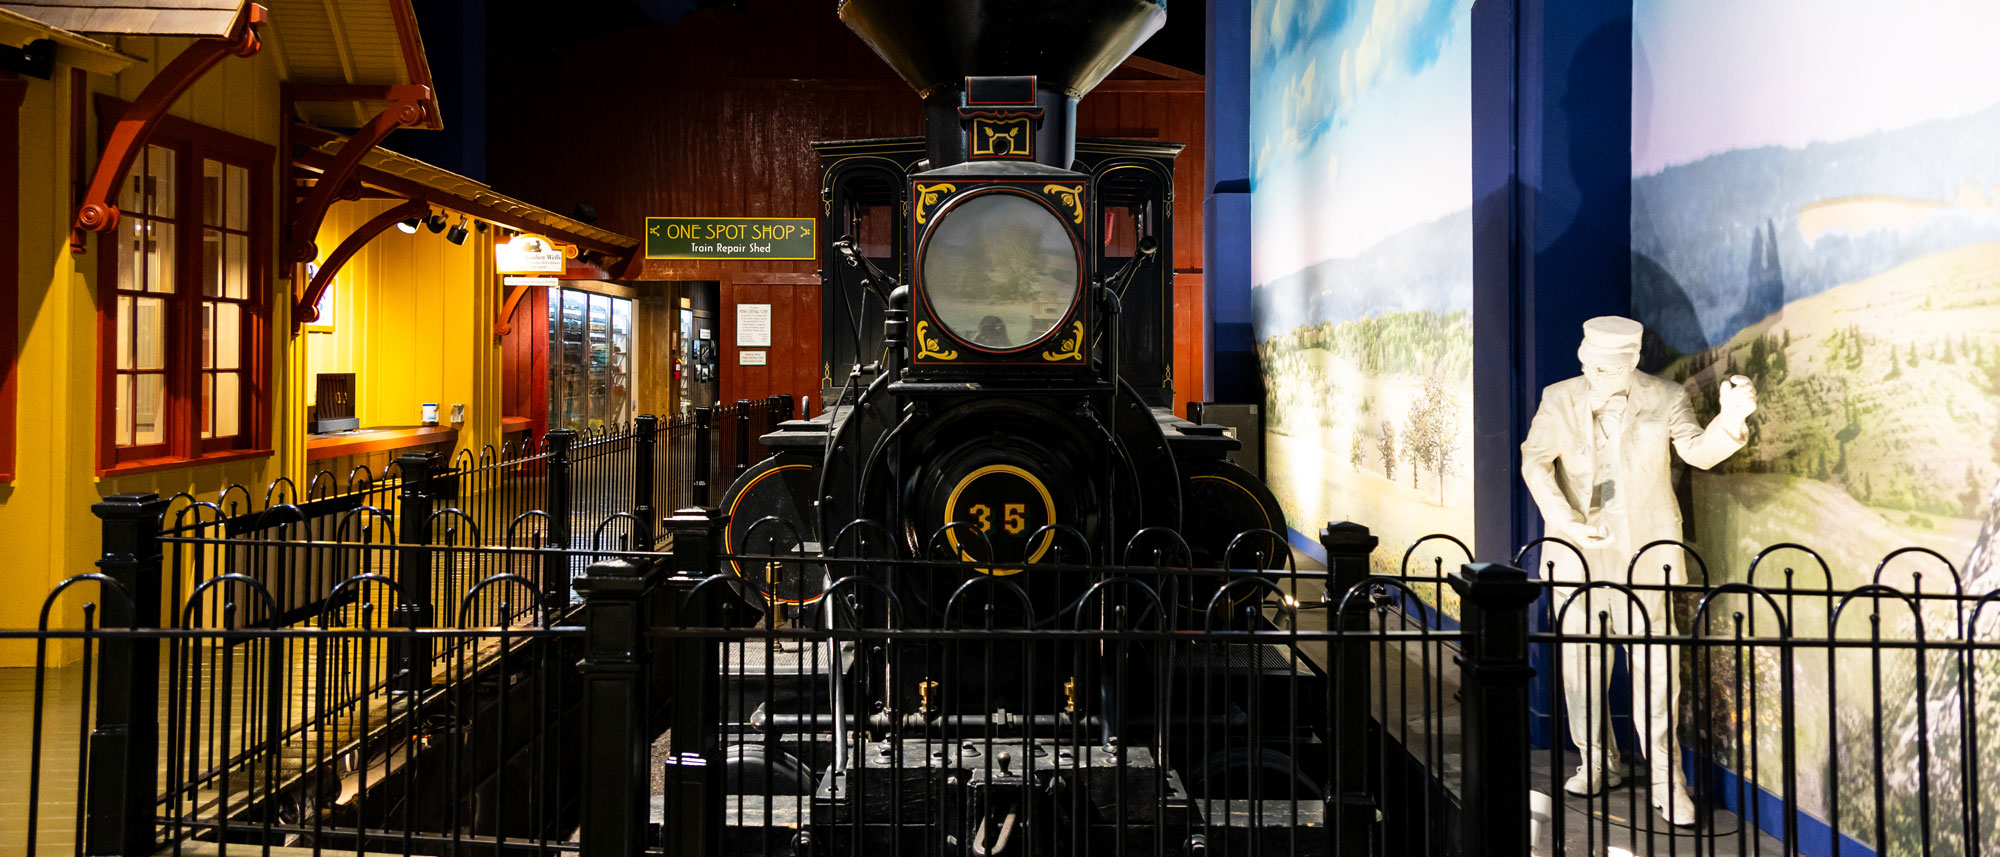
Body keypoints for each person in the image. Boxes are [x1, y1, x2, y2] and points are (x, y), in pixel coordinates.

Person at [1519, 316, 1757, 827]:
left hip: (1644, 552)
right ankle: (1596, 759)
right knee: (1580, 663)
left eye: (1609, 369)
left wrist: (1730, 420)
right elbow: (1534, 462)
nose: (1597, 375)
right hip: (1577, 550)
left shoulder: (1665, 397)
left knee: (1656, 664)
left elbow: (1698, 452)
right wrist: (1566, 521)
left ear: (1632, 362)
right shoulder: (1558, 397)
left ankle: (1667, 779)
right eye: (1591, 366)